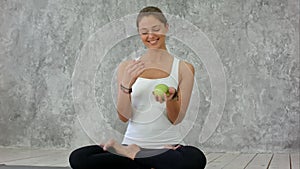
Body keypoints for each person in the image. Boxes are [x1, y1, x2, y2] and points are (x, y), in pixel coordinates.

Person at [69, 6, 206, 169]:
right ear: (139, 33)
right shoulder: (127, 67)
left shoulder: (184, 68)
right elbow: (124, 116)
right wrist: (126, 85)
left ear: (166, 27)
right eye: (144, 32)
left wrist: (171, 99)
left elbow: (176, 119)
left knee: (196, 158)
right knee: (79, 157)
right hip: (131, 144)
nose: (151, 36)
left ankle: (136, 156)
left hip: (167, 148)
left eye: (156, 29)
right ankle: (140, 157)